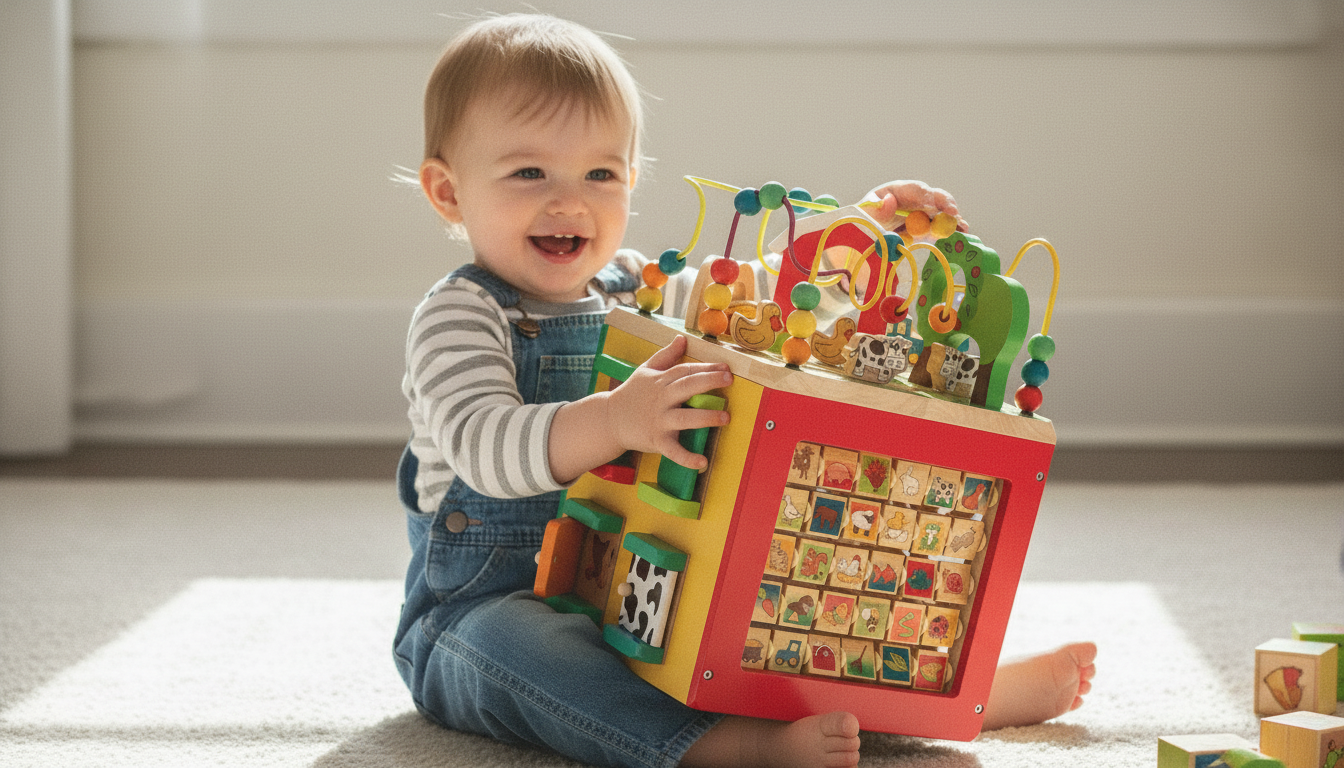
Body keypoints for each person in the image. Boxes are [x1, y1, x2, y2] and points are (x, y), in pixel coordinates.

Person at [393, 13, 1096, 768]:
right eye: (529, 172)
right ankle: (718, 746)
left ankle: (966, 692)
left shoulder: (638, 288)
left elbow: (761, 300)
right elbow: (485, 449)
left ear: (631, 179)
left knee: (765, 617)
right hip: (483, 607)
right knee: (530, 655)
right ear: (448, 191)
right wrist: (614, 419)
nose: (570, 201)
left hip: (636, 585)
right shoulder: (462, 315)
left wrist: (850, 235)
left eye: (600, 174)